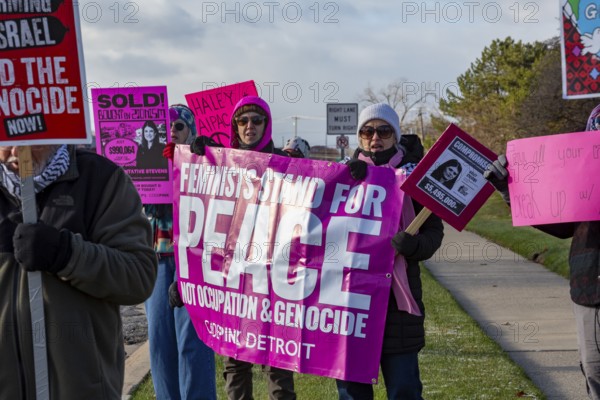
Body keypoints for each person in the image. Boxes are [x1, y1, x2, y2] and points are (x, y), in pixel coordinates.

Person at [0, 144, 157, 399]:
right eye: (7, 139)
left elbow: (138, 276)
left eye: (33, 139)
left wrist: (67, 255)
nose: (18, 150)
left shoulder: (100, 179)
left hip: (81, 390)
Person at [484, 103, 600, 400]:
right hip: (591, 289)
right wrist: (510, 190)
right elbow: (560, 223)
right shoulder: (585, 171)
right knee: (595, 370)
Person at [190, 95, 296, 400]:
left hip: (275, 278)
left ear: (268, 124)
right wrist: (200, 159)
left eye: (257, 120)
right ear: (235, 126)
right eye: (243, 120)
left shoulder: (288, 164)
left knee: (278, 362)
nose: (250, 126)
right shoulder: (222, 163)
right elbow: (200, 223)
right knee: (235, 360)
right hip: (234, 277)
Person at [339, 103, 444, 400]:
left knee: (404, 391)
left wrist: (414, 247)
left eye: (383, 130)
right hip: (351, 301)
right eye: (368, 131)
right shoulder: (342, 176)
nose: (376, 137)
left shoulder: (416, 176)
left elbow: (434, 231)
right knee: (352, 393)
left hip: (397, 304)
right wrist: (348, 179)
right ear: (360, 137)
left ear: (395, 135)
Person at [145, 104, 217, 400]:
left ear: (191, 132)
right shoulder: (151, 162)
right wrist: (157, 175)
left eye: (179, 127)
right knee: (160, 342)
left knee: (192, 342)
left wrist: (204, 158)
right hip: (159, 258)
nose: (172, 132)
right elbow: (145, 208)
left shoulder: (204, 160)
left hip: (194, 261)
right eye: (167, 128)